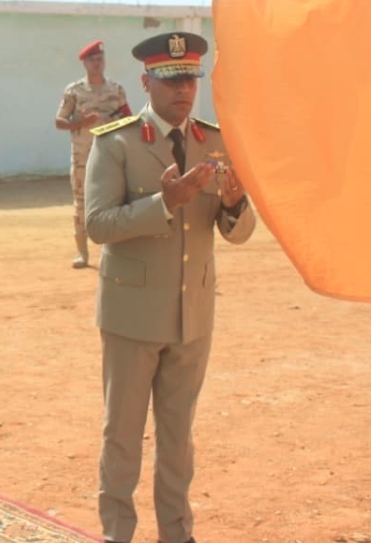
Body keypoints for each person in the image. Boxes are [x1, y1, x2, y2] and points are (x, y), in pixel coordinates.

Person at [85, 31, 256, 543]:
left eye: (189, 79)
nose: (183, 89)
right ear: (146, 83)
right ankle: (118, 533)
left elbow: (237, 232)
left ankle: (177, 534)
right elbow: (98, 224)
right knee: (122, 436)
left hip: (192, 314)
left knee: (178, 439)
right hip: (132, 316)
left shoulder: (215, 141)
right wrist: (164, 204)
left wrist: (234, 205)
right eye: (170, 79)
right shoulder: (116, 142)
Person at [54, 39, 130, 268]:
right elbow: (59, 121)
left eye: (100, 59)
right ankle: (82, 252)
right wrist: (82, 122)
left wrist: (117, 124)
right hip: (82, 157)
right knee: (81, 202)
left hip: (111, 157)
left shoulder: (116, 90)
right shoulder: (74, 91)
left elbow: (128, 118)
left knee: (114, 201)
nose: (97, 63)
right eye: (93, 60)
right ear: (85, 64)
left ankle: (112, 251)